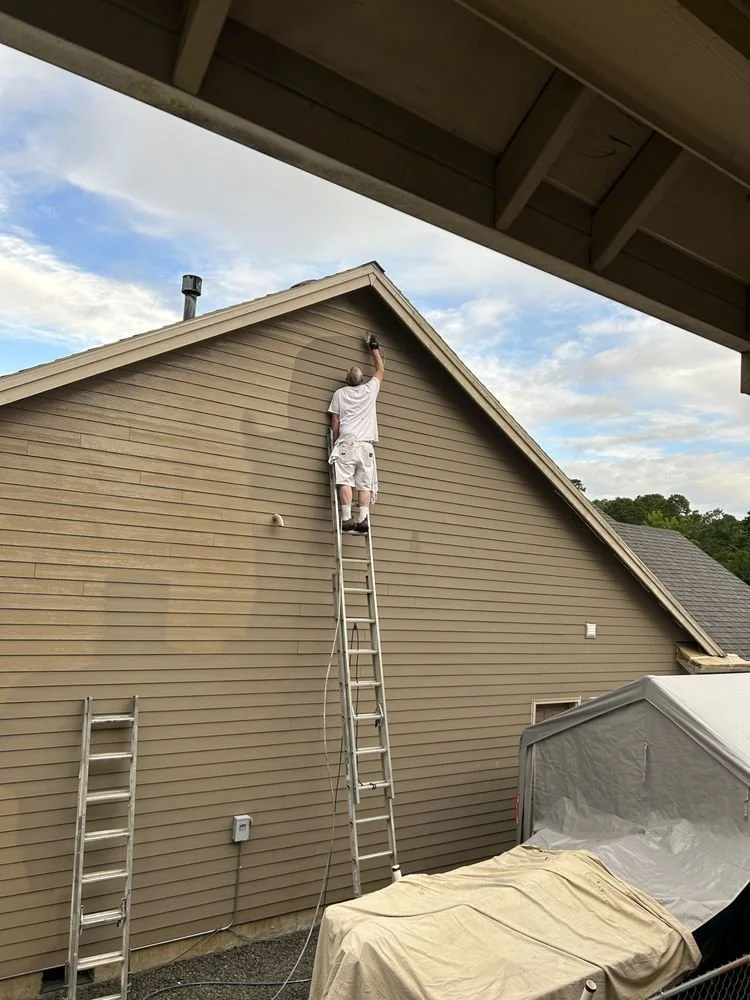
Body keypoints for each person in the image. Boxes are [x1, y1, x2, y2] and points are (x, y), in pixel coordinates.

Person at [328, 334, 385, 534]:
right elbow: (380, 370)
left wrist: (336, 440)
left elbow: (335, 421)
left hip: (347, 443)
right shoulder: (370, 390)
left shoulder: (340, 394)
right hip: (365, 446)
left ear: (346, 380)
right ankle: (362, 520)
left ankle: (346, 518)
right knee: (364, 484)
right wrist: (374, 347)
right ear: (362, 380)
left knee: (345, 481)